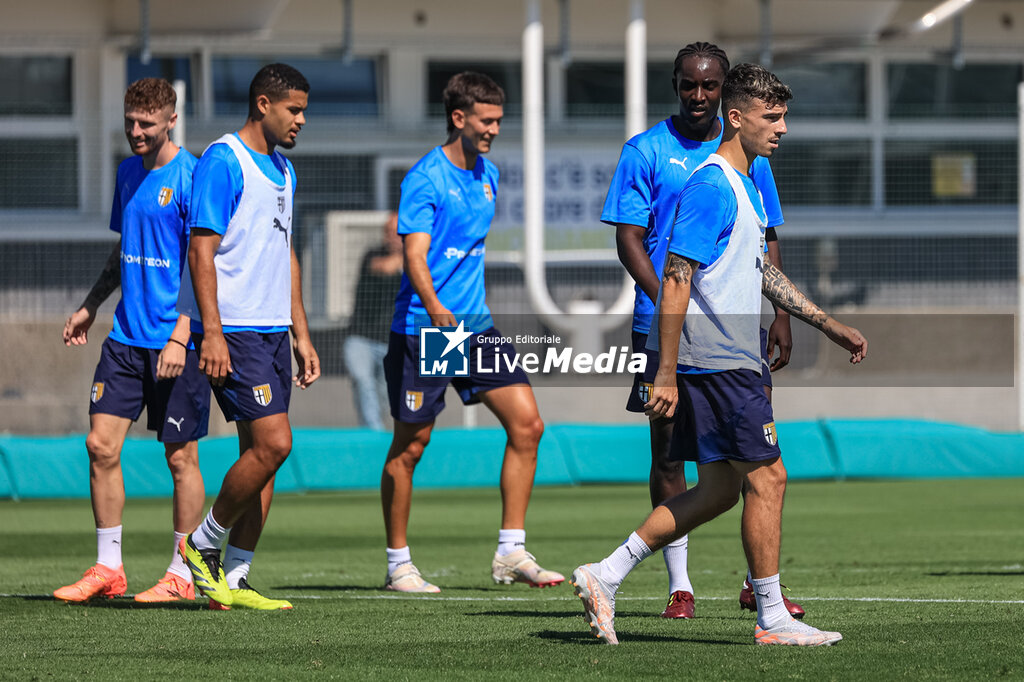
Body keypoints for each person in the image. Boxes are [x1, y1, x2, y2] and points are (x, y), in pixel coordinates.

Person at [572, 63, 867, 646]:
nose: (782, 128)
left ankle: (605, 575)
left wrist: (827, 323)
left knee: (717, 491)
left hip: (731, 359)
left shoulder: (744, 181)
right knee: (769, 478)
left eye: (784, 117)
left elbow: (760, 273)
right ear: (738, 118)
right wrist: (664, 373)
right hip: (716, 361)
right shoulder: (710, 185)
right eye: (772, 117)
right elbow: (676, 279)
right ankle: (772, 618)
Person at [601, 41, 800, 619]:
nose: (698, 95)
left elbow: (766, 239)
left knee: (746, 461)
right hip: (662, 325)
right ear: (675, 84)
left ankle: (757, 584)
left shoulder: (749, 153)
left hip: (731, 331)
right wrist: (669, 301)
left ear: (724, 95)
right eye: (688, 85)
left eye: (709, 86)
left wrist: (782, 314)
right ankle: (680, 586)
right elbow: (630, 239)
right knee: (670, 456)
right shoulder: (646, 151)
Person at [380, 71, 562, 593]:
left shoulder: (489, 175)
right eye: (487, 121)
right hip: (428, 329)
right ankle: (399, 565)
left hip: (475, 327)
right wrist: (437, 309)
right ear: (458, 118)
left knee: (528, 426)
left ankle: (510, 552)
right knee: (411, 446)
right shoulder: (425, 178)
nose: (494, 130)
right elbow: (414, 255)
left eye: (500, 121)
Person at [54, 78, 208, 604]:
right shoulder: (126, 173)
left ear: (171, 121)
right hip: (124, 336)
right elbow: (126, 250)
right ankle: (109, 568)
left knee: (180, 458)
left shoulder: (192, 177)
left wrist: (183, 334)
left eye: (146, 123)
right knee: (100, 446)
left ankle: (182, 574)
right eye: (130, 121)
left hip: (174, 340)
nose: (135, 131)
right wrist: (91, 304)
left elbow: (200, 262)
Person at [176, 63, 320, 610]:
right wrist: (210, 332)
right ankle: (202, 545)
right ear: (263, 104)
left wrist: (301, 335)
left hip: (273, 333)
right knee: (274, 444)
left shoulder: (283, 171)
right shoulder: (223, 159)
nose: (301, 120)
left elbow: (285, 255)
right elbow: (201, 251)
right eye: (294, 109)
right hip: (234, 332)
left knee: (263, 456)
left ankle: (234, 580)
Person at [343, 212, 403, 430]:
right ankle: (372, 431)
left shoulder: (417, 266)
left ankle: (379, 428)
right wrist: (415, 252)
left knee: (386, 393)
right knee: (363, 382)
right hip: (361, 338)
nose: (392, 236)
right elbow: (385, 267)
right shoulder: (373, 255)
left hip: (393, 342)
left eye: (397, 232)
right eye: (388, 232)